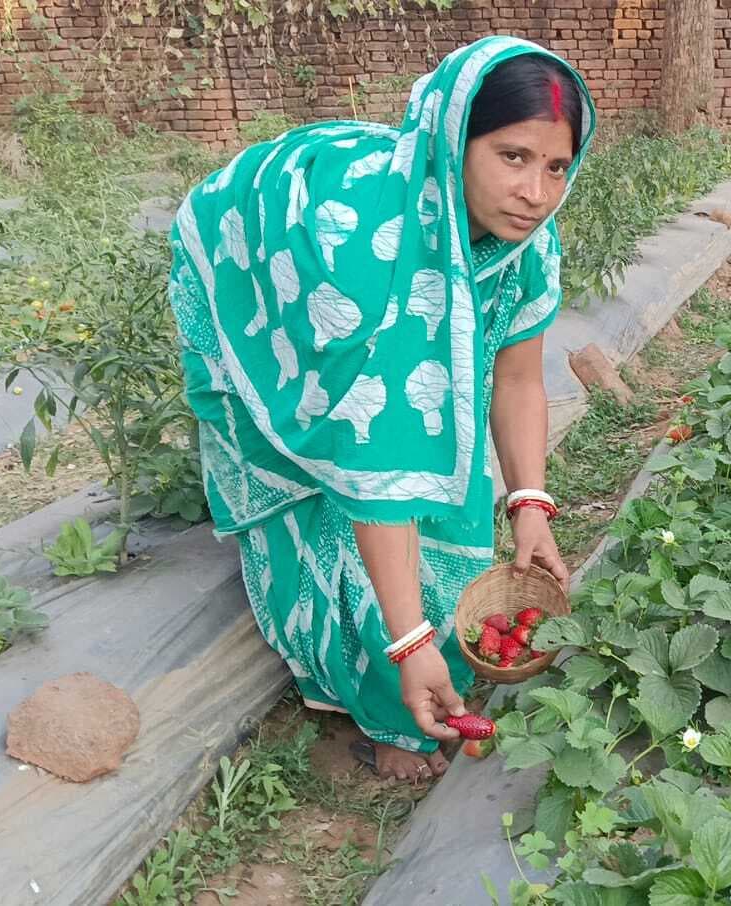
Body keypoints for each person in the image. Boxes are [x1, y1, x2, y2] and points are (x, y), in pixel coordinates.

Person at [166, 36, 593, 781]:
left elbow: (518, 377)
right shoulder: (366, 254)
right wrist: (410, 642)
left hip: (392, 282)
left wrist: (529, 503)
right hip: (266, 261)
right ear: (453, 142)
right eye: (512, 156)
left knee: (439, 458)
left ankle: (407, 659)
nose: (536, 192)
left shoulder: (527, 241)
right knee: (319, 477)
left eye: (556, 167)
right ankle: (376, 698)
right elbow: (372, 464)